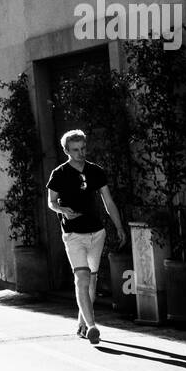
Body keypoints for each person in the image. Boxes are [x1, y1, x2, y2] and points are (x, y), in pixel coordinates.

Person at [46, 129, 126, 345]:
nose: (80, 153)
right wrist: (63, 210)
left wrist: (119, 227)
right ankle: (92, 327)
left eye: (83, 148)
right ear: (66, 151)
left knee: (91, 280)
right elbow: (51, 202)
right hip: (73, 235)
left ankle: (83, 323)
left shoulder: (95, 171)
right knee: (82, 278)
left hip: (97, 233)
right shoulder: (59, 173)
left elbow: (108, 202)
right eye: (75, 150)